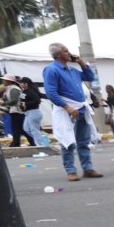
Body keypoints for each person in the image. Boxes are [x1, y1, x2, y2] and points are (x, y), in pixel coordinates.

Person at [42, 42, 102, 181]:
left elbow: (90, 77)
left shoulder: (72, 70)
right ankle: (71, 170)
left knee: (83, 141)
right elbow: (51, 92)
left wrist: (80, 61)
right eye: (66, 51)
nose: (69, 53)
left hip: (81, 109)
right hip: (66, 111)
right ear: (58, 55)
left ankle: (87, 168)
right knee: (67, 141)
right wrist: (67, 107)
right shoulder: (51, 70)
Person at [0, 74, 35, 147]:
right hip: (16, 111)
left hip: (17, 111)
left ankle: (16, 143)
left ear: (8, 81)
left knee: (16, 128)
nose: (3, 81)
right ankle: (30, 141)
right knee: (20, 128)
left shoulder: (13, 89)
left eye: (4, 80)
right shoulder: (11, 88)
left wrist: (4, 103)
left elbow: (14, 101)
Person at [19, 77, 48, 147]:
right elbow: (22, 101)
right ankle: (43, 138)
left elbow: (37, 100)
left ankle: (41, 145)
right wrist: (22, 105)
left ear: (26, 84)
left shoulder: (30, 91)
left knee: (34, 130)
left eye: (21, 83)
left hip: (34, 112)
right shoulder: (24, 92)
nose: (20, 84)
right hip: (27, 113)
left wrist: (26, 104)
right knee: (26, 129)